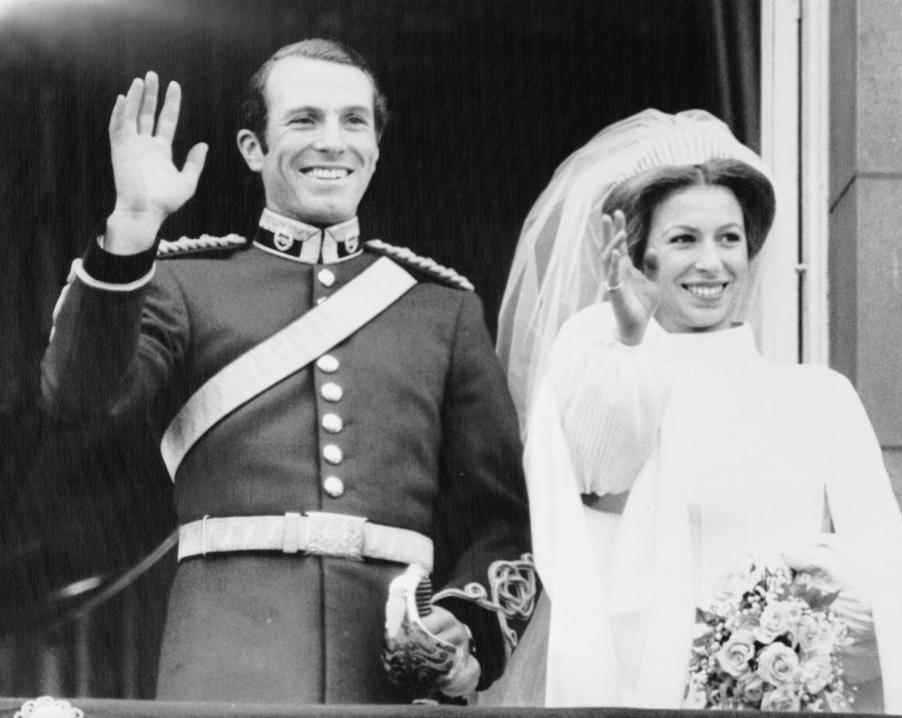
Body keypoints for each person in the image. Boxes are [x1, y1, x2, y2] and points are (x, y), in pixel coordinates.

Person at [41, 38, 534, 704]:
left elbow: (503, 523)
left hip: (392, 681)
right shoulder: (186, 286)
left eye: (353, 121)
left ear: (376, 148)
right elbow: (77, 396)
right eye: (304, 120)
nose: (333, 141)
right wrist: (132, 227)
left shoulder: (441, 310)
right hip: (225, 670)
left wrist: (466, 629)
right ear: (252, 148)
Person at [494, 109, 902, 712]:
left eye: (729, 238)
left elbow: (892, 575)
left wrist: (819, 607)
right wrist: (625, 334)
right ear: (640, 257)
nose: (711, 263)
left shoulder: (820, 398)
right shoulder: (606, 376)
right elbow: (597, 478)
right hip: (634, 698)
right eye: (682, 240)